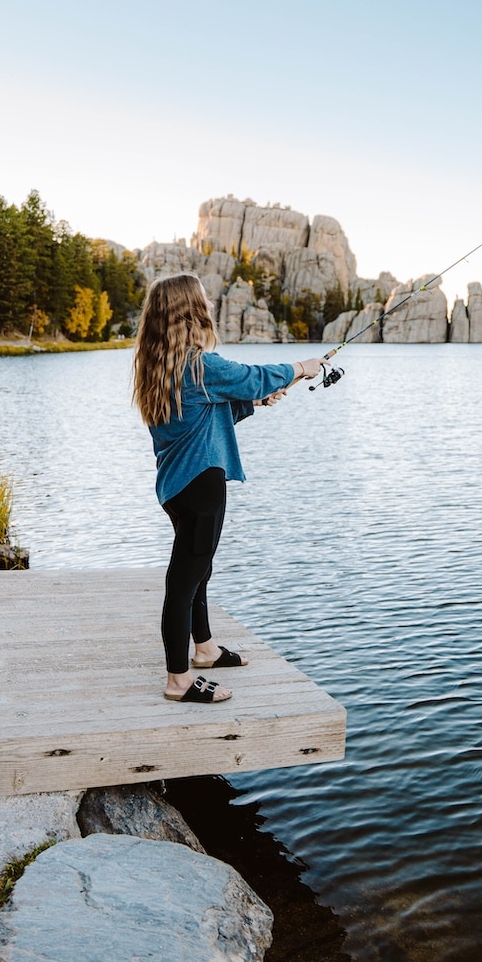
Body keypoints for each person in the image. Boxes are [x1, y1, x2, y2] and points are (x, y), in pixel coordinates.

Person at [132, 272, 325, 704]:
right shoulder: (201, 364)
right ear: (190, 311)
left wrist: (253, 402)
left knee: (199, 571)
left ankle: (204, 649)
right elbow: (251, 375)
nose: (210, 306)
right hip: (201, 488)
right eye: (203, 300)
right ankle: (178, 680)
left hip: (177, 489)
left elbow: (201, 419)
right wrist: (300, 368)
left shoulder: (161, 366)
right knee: (182, 584)